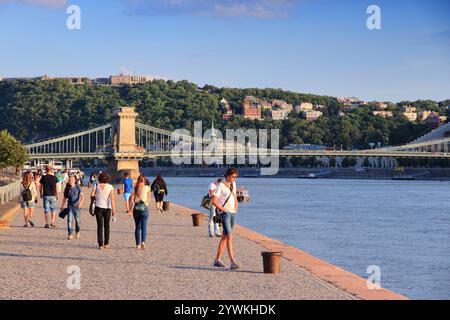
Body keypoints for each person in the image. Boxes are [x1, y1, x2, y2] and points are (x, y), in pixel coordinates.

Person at [212, 168, 240, 270]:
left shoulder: (233, 184)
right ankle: (232, 261)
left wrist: (236, 208)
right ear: (227, 175)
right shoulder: (221, 185)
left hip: (233, 213)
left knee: (224, 236)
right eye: (233, 177)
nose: (234, 179)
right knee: (230, 236)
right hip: (225, 214)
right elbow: (214, 201)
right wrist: (224, 210)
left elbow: (235, 198)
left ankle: (217, 260)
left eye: (236, 177)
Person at [90, 172, 116, 249]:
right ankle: (106, 243)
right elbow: (112, 199)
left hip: (98, 207)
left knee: (99, 226)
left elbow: (92, 195)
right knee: (107, 226)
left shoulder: (96, 185)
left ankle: (100, 244)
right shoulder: (110, 187)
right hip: (107, 208)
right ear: (107, 178)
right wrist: (114, 210)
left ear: (99, 178)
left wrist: (96, 198)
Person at [130, 174, 151, 250]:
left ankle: (137, 244)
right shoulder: (146, 187)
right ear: (144, 180)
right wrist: (146, 204)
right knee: (144, 227)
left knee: (137, 227)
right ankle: (143, 242)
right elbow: (149, 197)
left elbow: (132, 200)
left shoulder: (135, 188)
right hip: (144, 207)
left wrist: (129, 210)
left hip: (136, 208)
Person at [60, 175, 84, 240]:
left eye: (72, 180)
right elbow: (64, 198)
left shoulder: (78, 187)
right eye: (69, 180)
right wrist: (62, 206)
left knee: (78, 221)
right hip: (70, 206)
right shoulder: (67, 189)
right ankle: (70, 234)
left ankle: (77, 232)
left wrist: (81, 203)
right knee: (69, 221)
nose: (70, 181)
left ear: (74, 180)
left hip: (77, 207)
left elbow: (82, 196)